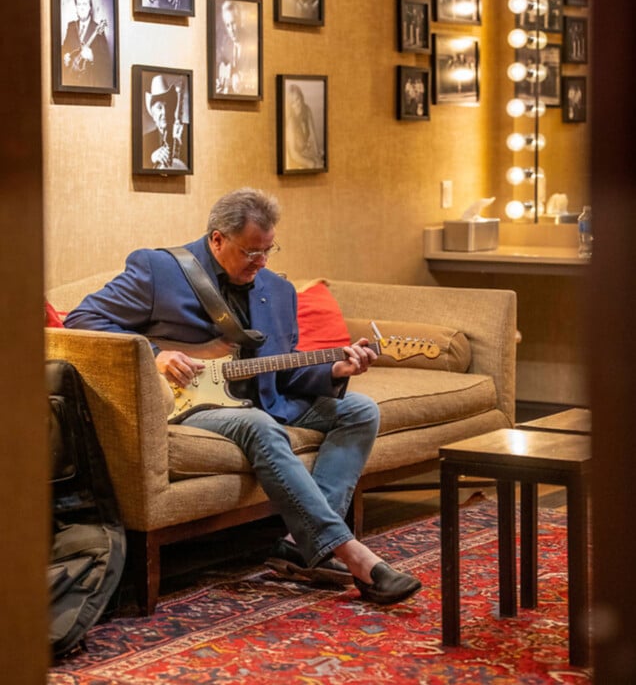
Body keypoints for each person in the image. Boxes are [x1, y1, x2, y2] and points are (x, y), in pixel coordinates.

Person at [64, 188, 422, 606]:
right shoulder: (158, 270)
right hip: (188, 406)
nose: (262, 262)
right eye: (251, 252)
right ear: (217, 239)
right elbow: (82, 321)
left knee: (359, 410)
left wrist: (334, 370)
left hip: (263, 402)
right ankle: (352, 554)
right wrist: (156, 356)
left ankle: (298, 544)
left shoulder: (278, 290)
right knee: (260, 426)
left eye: (268, 250)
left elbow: (283, 372)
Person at [61, 0, 111, 88]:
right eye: (79, 4)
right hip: (71, 82)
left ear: (90, 8)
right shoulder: (71, 26)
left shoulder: (98, 29)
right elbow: (64, 48)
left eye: (85, 4)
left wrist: (92, 57)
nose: (82, 8)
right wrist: (64, 56)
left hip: (89, 84)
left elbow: (107, 63)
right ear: (76, 7)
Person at [142, 74, 188, 171]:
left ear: (172, 109)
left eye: (167, 106)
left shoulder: (186, 133)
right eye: (159, 108)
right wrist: (152, 158)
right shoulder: (145, 140)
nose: (164, 112)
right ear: (153, 114)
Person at [215, 0, 258, 96]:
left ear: (239, 21)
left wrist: (243, 78)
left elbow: (259, 76)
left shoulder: (253, 43)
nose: (231, 30)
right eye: (228, 25)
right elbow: (219, 64)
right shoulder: (226, 43)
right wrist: (219, 79)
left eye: (233, 23)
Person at [286, 84, 323, 169]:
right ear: (290, 105)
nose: (296, 104)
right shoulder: (290, 122)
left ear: (301, 97)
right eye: (292, 103)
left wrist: (317, 155)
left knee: (320, 163)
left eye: (297, 99)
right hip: (295, 159)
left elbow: (314, 136)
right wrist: (310, 164)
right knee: (314, 165)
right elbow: (293, 154)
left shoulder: (307, 110)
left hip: (305, 152)